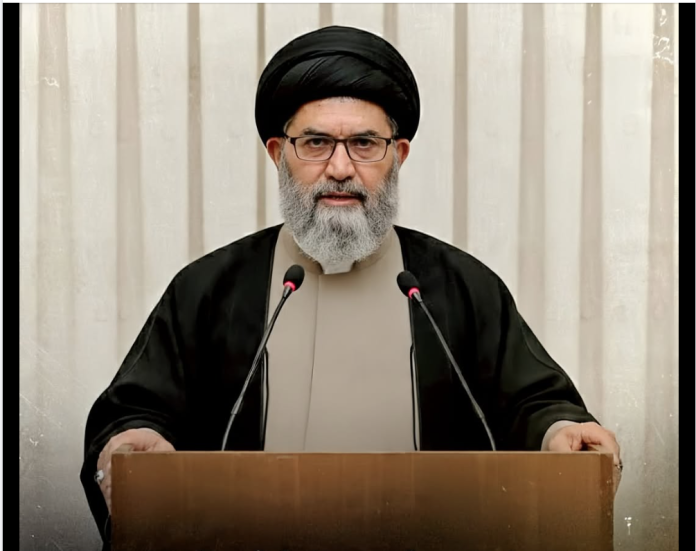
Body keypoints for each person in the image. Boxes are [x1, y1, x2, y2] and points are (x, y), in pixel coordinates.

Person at [81, 25, 622, 545]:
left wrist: (558, 432)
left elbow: (531, 401)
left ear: (397, 156)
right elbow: (138, 411)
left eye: (364, 143)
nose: (340, 168)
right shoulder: (209, 289)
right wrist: (131, 445)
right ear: (278, 153)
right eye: (316, 142)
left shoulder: (458, 287)